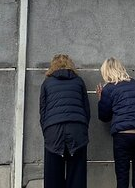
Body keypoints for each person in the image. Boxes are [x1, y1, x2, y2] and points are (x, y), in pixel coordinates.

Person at [96, 57, 135, 188]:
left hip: (123, 135)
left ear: (106, 71)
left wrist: (100, 99)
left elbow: (104, 116)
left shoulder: (108, 88)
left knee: (122, 176)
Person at [39, 54, 91, 188]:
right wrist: (83, 128)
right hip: (77, 130)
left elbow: (43, 111)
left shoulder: (47, 82)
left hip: (54, 131)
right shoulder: (79, 81)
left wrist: (47, 131)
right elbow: (86, 110)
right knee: (77, 176)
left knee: (53, 178)